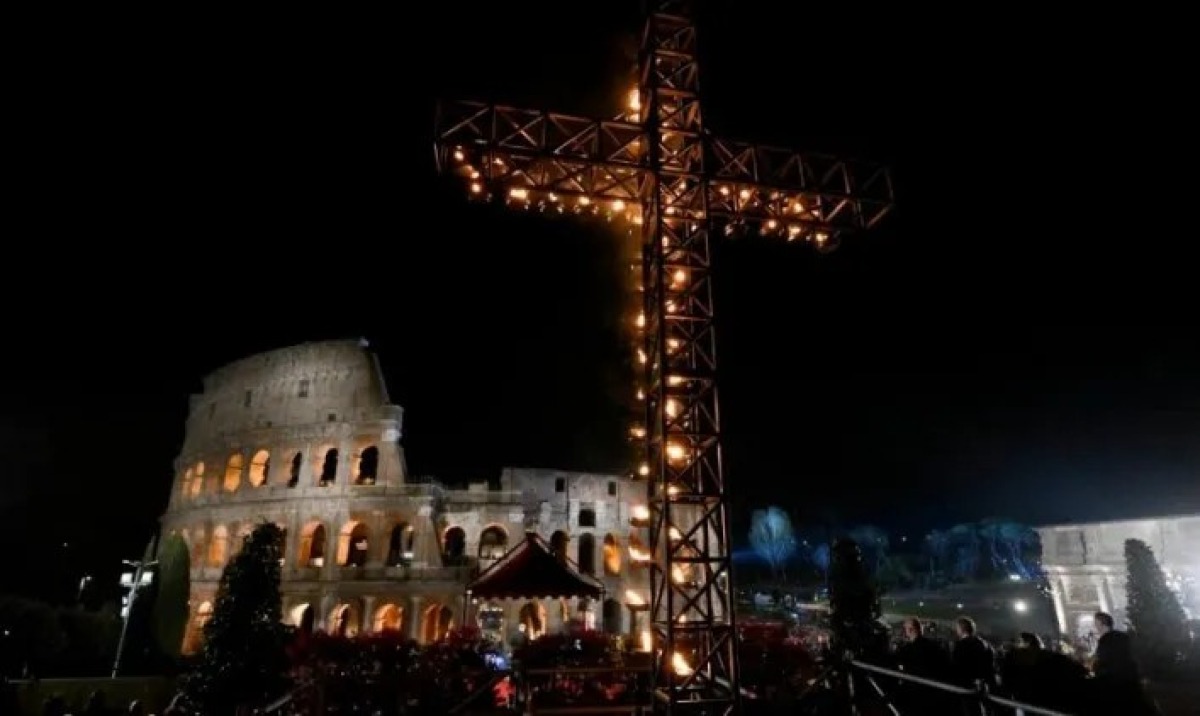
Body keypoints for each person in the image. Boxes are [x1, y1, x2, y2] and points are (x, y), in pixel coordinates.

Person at [1090, 611, 1155, 714]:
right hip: (1132, 680)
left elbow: (1102, 663)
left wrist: (1095, 670)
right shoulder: (1123, 637)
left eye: (1095, 623)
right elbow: (1136, 655)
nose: (1094, 626)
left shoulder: (1105, 641)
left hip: (1116, 685)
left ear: (1101, 624)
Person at [950, 617, 996, 689]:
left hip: (966, 683)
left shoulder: (962, 645)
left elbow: (957, 665)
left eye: (957, 628)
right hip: (984, 684)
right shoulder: (985, 644)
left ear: (961, 629)